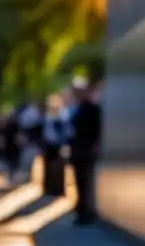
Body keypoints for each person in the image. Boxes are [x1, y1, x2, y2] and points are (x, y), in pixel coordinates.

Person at [68, 77, 101, 224]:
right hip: (79, 148)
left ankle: (86, 210)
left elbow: (96, 129)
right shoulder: (78, 108)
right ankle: (82, 209)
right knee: (80, 180)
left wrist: (94, 145)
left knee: (85, 181)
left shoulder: (91, 109)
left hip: (85, 148)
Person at [40, 94, 69, 196]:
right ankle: (49, 188)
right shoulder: (47, 116)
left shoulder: (62, 116)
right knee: (48, 166)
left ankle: (58, 188)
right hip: (48, 143)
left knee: (59, 167)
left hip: (58, 143)